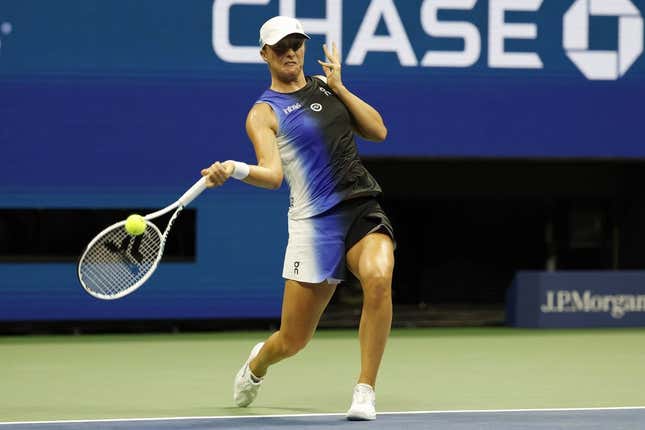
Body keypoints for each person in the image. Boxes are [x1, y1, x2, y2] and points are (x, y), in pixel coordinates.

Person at [201, 16, 395, 421]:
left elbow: (377, 131)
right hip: (314, 225)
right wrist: (234, 168)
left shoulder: (327, 87)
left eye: (296, 44)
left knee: (378, 277)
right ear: (264, 54)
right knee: (292, 340)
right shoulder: (263, 112)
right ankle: (258, 364)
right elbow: (272, 176)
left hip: (360, 205)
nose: (290, 52)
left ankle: (364, 391)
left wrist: (340, 87)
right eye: (281, 46)